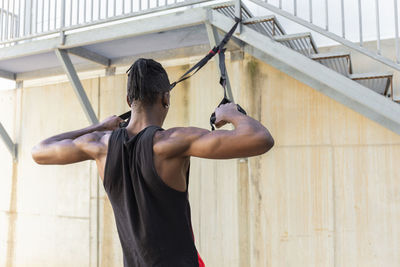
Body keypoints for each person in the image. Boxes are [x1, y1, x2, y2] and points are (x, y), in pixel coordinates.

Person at [31, 58, 274, 267]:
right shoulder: (172, 143)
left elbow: (40, 151)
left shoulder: (99, 145)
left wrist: (98, 126)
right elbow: (260, 139)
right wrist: (231, 113)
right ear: (165, 98)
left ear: (129, 100)